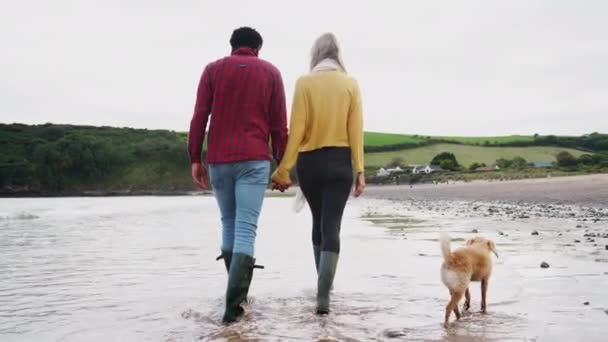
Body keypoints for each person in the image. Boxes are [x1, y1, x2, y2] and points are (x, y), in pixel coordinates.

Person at [188, 27, 288, 324]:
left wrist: (195, 158)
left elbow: (199, 116)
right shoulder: (271, 72)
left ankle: (236, 302)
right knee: (246, 228)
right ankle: (235, 308)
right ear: (258, 47)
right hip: (254, 160)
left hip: (219, 159)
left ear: (233, 46)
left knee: (228, 223)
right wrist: (282, 165)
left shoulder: (212, 70)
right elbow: (278, 124)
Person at [271, 33, 365, 314]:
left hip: (309, 164)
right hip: (339, 164)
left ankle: (322, 287)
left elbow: (296, 130)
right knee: (332, 226)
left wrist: (283, 170)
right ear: (337, 55)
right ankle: (325, 295)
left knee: (317, 224)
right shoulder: (350, 84)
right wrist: (360, 170)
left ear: (316, 55)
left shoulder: (304, 83)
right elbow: (355, 132)